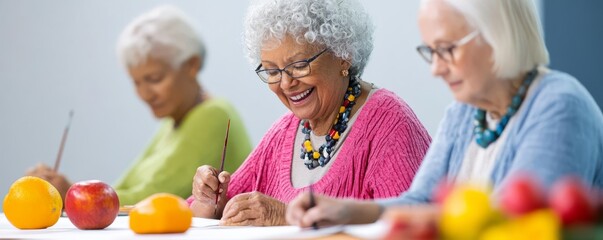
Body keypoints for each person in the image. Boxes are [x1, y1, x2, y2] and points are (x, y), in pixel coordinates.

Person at [286, 0, 603, 228]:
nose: (436, 69)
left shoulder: (559, 104)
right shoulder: (464, 112)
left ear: (496, 35)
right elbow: (421, 202)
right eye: (430, 52)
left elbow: (513, 220)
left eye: (447, 50)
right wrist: (346, 210)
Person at [188, 0, 431, 226]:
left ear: (343, 54)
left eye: (299, 66)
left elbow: (409, 227)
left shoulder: (389, 124)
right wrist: (208, 200)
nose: (285, 83)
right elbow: (214, 213)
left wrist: (287, 218)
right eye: (272, 71)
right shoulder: (284, 132)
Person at [25, 5, 252, 205]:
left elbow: (150, 199)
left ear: (192, 65)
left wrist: (73, 194)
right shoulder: (172, 122)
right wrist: (75, 192)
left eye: (154, 79)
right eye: (137, 82)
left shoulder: (213, 116)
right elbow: (121, 187)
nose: (144, 94)